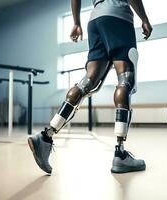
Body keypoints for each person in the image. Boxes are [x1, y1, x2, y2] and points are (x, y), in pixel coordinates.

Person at [28, 0, 152, 174]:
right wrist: (144, 18)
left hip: (95, 20)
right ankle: (120, 154)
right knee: (125, 79)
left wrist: (76, 22)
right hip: (118, 16)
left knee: (88, 81)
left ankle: (45, 136)